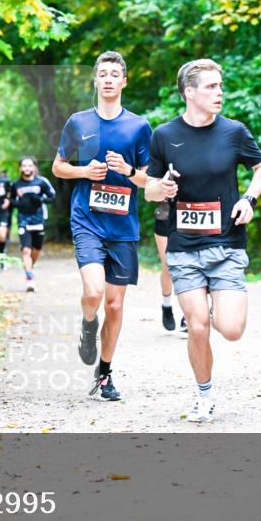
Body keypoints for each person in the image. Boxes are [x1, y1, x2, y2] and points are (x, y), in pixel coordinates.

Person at [145, 58, 261, 423]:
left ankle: (217, 302)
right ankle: (205, 395)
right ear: (190, 92)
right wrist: (161, 188)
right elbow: (150, 188)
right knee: (197, 325)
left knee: (231, 330)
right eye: (211, 87)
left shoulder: (234, 132)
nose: (220, 93)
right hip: (184, 246)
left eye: (220, 86)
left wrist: (249, 199)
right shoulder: (164, 136)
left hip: (227, 244)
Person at [52, 50, 151, 402]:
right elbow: (58, 167)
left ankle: (105, 373)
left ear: (124, 81)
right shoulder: (79, 122)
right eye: (103, 74)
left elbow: (147, 181)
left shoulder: (139, 126)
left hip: (123, 226)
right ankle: (87, 323)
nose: (108, 79)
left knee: (115, 305)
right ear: (95, 80)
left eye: (115, 74)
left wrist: (126, 171)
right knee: (94, 294)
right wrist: (84, 171)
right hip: (87, 220)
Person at [10, 156, 56, 292]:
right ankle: (30, 279)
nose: (27, 168)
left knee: (36, 249)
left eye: (29, 166)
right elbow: (11, 200)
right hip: (23, 219)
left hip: (38, 219)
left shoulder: (42, 182)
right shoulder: (16, 184)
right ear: (20, 168)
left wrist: (41, 199)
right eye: (24, 166)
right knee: (25, 250)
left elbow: (52, 196)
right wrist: (18, 203)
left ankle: (30, 266)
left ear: (34, 167)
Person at [153, 201, 187, 332]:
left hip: (192, 215)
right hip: (166, 214)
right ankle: (166, 306)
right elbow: (150, 191)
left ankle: (188, 314)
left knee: (191, 266)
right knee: (168, 266)